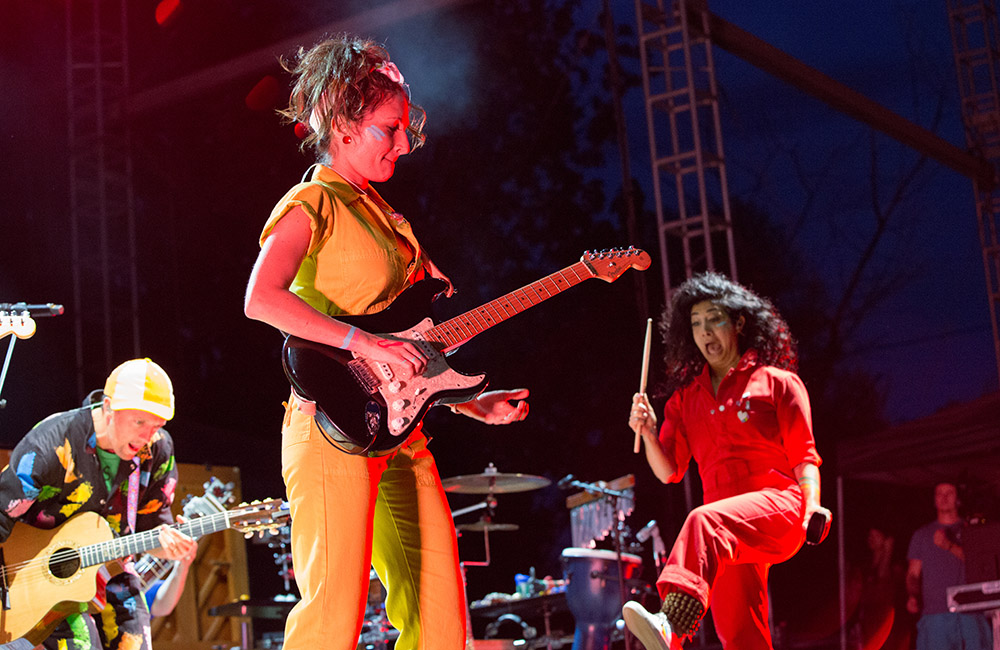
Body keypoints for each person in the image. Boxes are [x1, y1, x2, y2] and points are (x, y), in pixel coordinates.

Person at [243, 34, 529, 650]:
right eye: (388, 128)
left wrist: (466, 400)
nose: (404, 143)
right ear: (342, 124)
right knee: (332, 622)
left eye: (406, 129)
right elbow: (260, 299)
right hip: (329, 431)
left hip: (402, 429)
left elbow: (408, 344)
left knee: (443, 622)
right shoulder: (313, 201)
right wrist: (362, 344)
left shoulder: (391, 221)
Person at [621, 271, 830, 650]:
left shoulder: (776, 382)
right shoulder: (684, 401)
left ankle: (670, 623)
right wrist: (649, 433)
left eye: (714, 319)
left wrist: (812, 505)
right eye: (696, 324)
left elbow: (804, 455)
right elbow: (670, 471)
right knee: (739, 635)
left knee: (702, 520)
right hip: (725, 535)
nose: (705, 332)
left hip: (778, 507)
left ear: (738, 322)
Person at [0, 358, 198, 650]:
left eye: (156, 425)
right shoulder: (51, 444)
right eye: (139, 422)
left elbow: (154, 529)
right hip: (37, 580)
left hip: (114, 575)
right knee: (82, 642)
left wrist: (168, 545)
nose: (146, 436)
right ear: (108, 407)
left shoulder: (158, 451)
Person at [906, 481, 991, 650]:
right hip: (936, 614)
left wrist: (949, 546)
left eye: (949, 493)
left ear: (958, 499)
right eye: (939, 493)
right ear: (934, 500)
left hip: (970, 613)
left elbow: (982, 563)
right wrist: (912, 596)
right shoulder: (922, 534)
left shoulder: (971, 529)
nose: (944, 498)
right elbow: (913, 574)